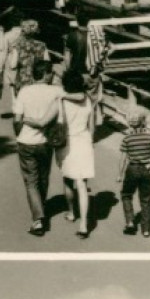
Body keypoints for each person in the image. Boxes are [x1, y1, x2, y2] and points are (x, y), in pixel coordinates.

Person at [12, 58, 63, 236]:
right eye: (51, 72)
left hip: (26, 141)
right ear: (47, 74)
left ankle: (38, 219)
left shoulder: (25, 91)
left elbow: (17, 119)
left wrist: (19, 134)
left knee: (31, 181)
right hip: (45, 142)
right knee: (43, 178)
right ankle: (41, 207)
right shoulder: (56, 91)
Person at [57, 82, 96, 238]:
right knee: (82, 184)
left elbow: (61, 123)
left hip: (67, 142)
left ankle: (72, 212)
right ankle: (84, 224)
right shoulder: (88, 100)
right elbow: (92, 127)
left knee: (67, 180)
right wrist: (90, 142)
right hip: (84, 141)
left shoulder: (62, 100)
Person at [118, 111, 150, 238]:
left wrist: (119, 174)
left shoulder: (127, 138)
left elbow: (123, 158)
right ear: (143, 122)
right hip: (147, 170)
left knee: (126, 195)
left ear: (130, 124)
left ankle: (130, 222)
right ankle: (146, 229)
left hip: (132, 169)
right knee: (146, 200)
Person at [0, 18, 47, 100]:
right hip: (37, 79)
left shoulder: (18, 45)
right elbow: (47, 63)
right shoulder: (42, 45)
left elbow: (13, 65)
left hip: (22, 79)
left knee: (20, 101)